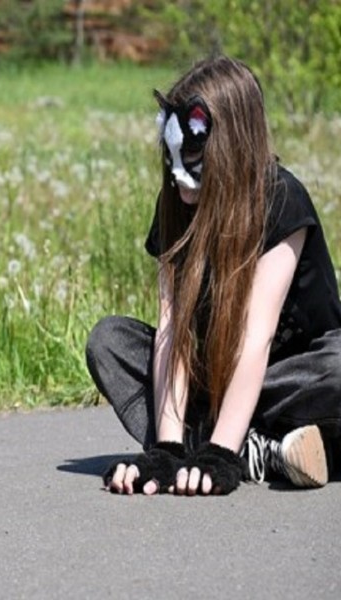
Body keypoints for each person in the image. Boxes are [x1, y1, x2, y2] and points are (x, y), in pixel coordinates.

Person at [85, 55, 341, 496]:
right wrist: (164, 451)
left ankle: (233, 443)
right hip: (219, 380)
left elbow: (254, 336)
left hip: (291, 381)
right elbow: (173, 332)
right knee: (109, 341)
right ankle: (260, 450)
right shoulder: (177, 206)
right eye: (172, 165)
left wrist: (219, 454)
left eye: (194, 165)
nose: (181, 185)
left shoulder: (281, 200)